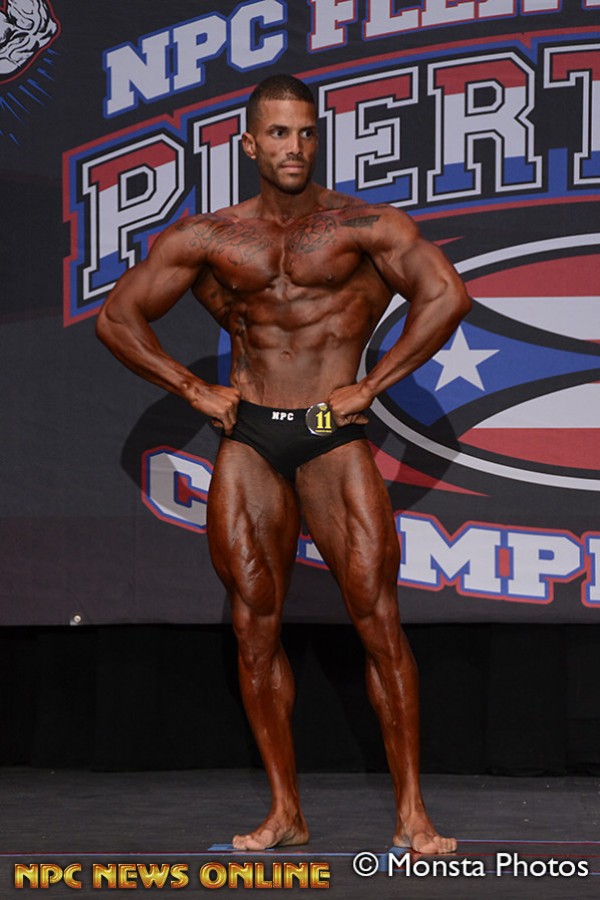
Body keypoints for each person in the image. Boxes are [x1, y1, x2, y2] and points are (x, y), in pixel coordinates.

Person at [97, 74, 471, 854]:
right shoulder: (209, 237)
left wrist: (371, 385)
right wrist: (192, 388)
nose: (293, 147)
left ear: (317, 138)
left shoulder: (364, 225)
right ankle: (285, 813)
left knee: (378, 621)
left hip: (333, 433)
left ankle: (413, 815)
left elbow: (445, 295)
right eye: (277, 133)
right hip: (251, 437)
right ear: (249, 143)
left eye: (304, 132)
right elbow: (117, 317)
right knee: (253, 627)